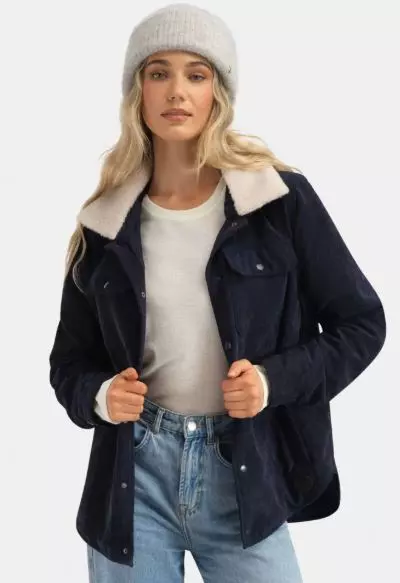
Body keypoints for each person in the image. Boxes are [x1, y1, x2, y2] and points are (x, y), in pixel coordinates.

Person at [48, 3, 386, 582]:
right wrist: (101, 396)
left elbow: (361, 324)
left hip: (243, 469)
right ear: (137, 92)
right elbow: (68, 363)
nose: (176, 91)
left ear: (218, 93)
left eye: (196, 74)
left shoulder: (276, 203)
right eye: (158, 72)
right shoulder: (105, 224)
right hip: (134, 477)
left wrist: (271, 381)